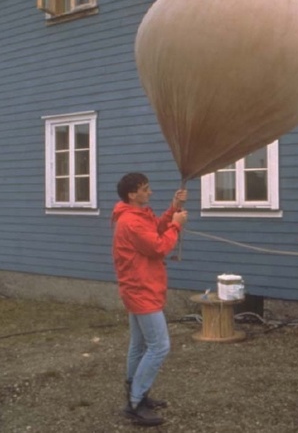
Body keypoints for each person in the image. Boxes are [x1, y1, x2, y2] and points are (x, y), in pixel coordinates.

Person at [112, 172, 188, 427]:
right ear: (132, 195)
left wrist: (173, 210)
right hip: (141, 289)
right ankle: (135, 403)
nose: (150, 192)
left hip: (139, 288)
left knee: (140, 345)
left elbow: (155, 230)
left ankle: (137, 395)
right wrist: (176, 224)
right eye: (145, 189)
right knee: (159, 346)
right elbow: (158, 247)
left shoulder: (136, 216)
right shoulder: (131, 222)